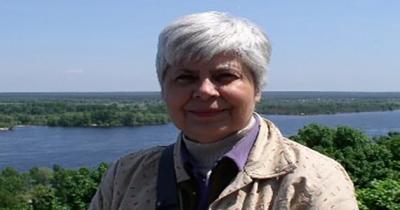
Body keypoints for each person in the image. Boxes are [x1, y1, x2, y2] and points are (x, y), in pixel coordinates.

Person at [89, 11, 358, 210]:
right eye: (185, 77)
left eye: (224, 76)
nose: (205, 91)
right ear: (163, 89)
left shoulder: (311, 179)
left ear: (257, 88)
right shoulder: (127, 175)